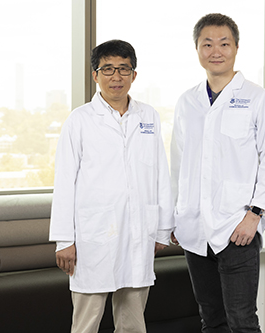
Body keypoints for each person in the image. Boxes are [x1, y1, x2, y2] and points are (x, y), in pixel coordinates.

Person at [49, 39, 174, 333]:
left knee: (133, 321)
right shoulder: (79, 121)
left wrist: (161, 229)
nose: (116, 77)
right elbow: (64, 181)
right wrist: (64, 240)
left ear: (134, 74)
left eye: (123, 69)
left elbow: (160, 175)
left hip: (137, 233)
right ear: (95, 75)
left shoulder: (149, 117)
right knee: (86, 323)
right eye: (108, 69)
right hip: (94, 236)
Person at [170, 13, 265, 332]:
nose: (215, 50)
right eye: (207, 43)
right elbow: (177, 164)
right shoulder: (187, 102)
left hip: (238, 227)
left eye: (224, 43)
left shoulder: (258, 98)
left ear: (236, 48)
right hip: (194, 227)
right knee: (211, 318)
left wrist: (255, 214)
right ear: (197, 49)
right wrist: (177, 215)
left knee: (242, 319)